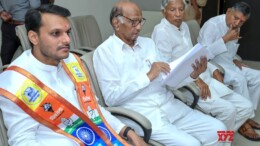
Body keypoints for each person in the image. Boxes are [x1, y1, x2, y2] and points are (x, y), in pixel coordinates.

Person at [0, 4, 147, 146]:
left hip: (101, 138)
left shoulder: (71, 61)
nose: (67, 40)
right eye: (56, 33)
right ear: (33, 37)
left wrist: (128, 132)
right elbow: (23, 141)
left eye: (67, 32)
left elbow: (94, 109)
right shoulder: (16, 81)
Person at [93, 1, 227, 146]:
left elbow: (169, 77)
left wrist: (192, 74)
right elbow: (111, 98)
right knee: (192, 144)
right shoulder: (105, 52)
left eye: (140, 21)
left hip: (170, 105)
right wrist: (148, 76)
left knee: (222, 131)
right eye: (133, 22)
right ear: (116, 23)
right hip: (143, 114)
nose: (138, 27)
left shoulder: (148, 44)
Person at [152, 0, 256, 142]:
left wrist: (212, 69)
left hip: (204, 76)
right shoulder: (162, 32)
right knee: (229, 111)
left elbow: (196, 55)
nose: (178, 14)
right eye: (172, 10)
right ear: (163, 11)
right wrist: (196, 79)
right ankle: (223, 141)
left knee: (246, 107)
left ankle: (223, 140)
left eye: (181, 9)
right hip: (186, 85)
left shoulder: (184, 27)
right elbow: (167, 70)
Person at [198, 1, 260, 141]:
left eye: (242, 21)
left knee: (257, 77)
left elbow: (231, 51)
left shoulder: (236, 26)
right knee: (239, 79)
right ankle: (243, 123)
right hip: (213, 64)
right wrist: (225, 39)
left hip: (229, 63)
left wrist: (236, 59)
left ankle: (248, 116)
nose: (237, 23)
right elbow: (203, 54)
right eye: (236, 18)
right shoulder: (212, 26)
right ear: (228, 12)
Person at [0, 0, 41, 65]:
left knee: (6, 58)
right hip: (24, 27)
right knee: (33, 58)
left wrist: (1, 11)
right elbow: (35, 5)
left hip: (7, 25)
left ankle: (6, 74)